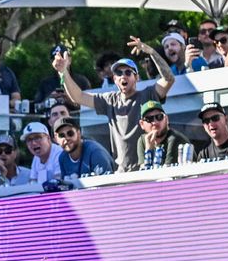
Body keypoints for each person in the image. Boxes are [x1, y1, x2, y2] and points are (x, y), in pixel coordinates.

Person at [53, 37, 174, 172]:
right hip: (122, 171)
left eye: (128, 72)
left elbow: (169, 79)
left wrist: (151, 52)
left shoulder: (148, 94)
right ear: (114, 79)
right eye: (118, 73)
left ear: (137, 78)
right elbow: (78, 97)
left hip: (149, 167)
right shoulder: (109, 100)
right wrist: (63, 73)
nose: (123, 76)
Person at [136, 101, 192, 169]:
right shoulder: (143, 140)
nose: (155, 122)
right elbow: (144, 171)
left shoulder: (175, 139)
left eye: (159, 117)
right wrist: (149, 149)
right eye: (149, 119)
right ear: (142, 124)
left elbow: (167, 173)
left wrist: (149, 152)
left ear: (166, 119)